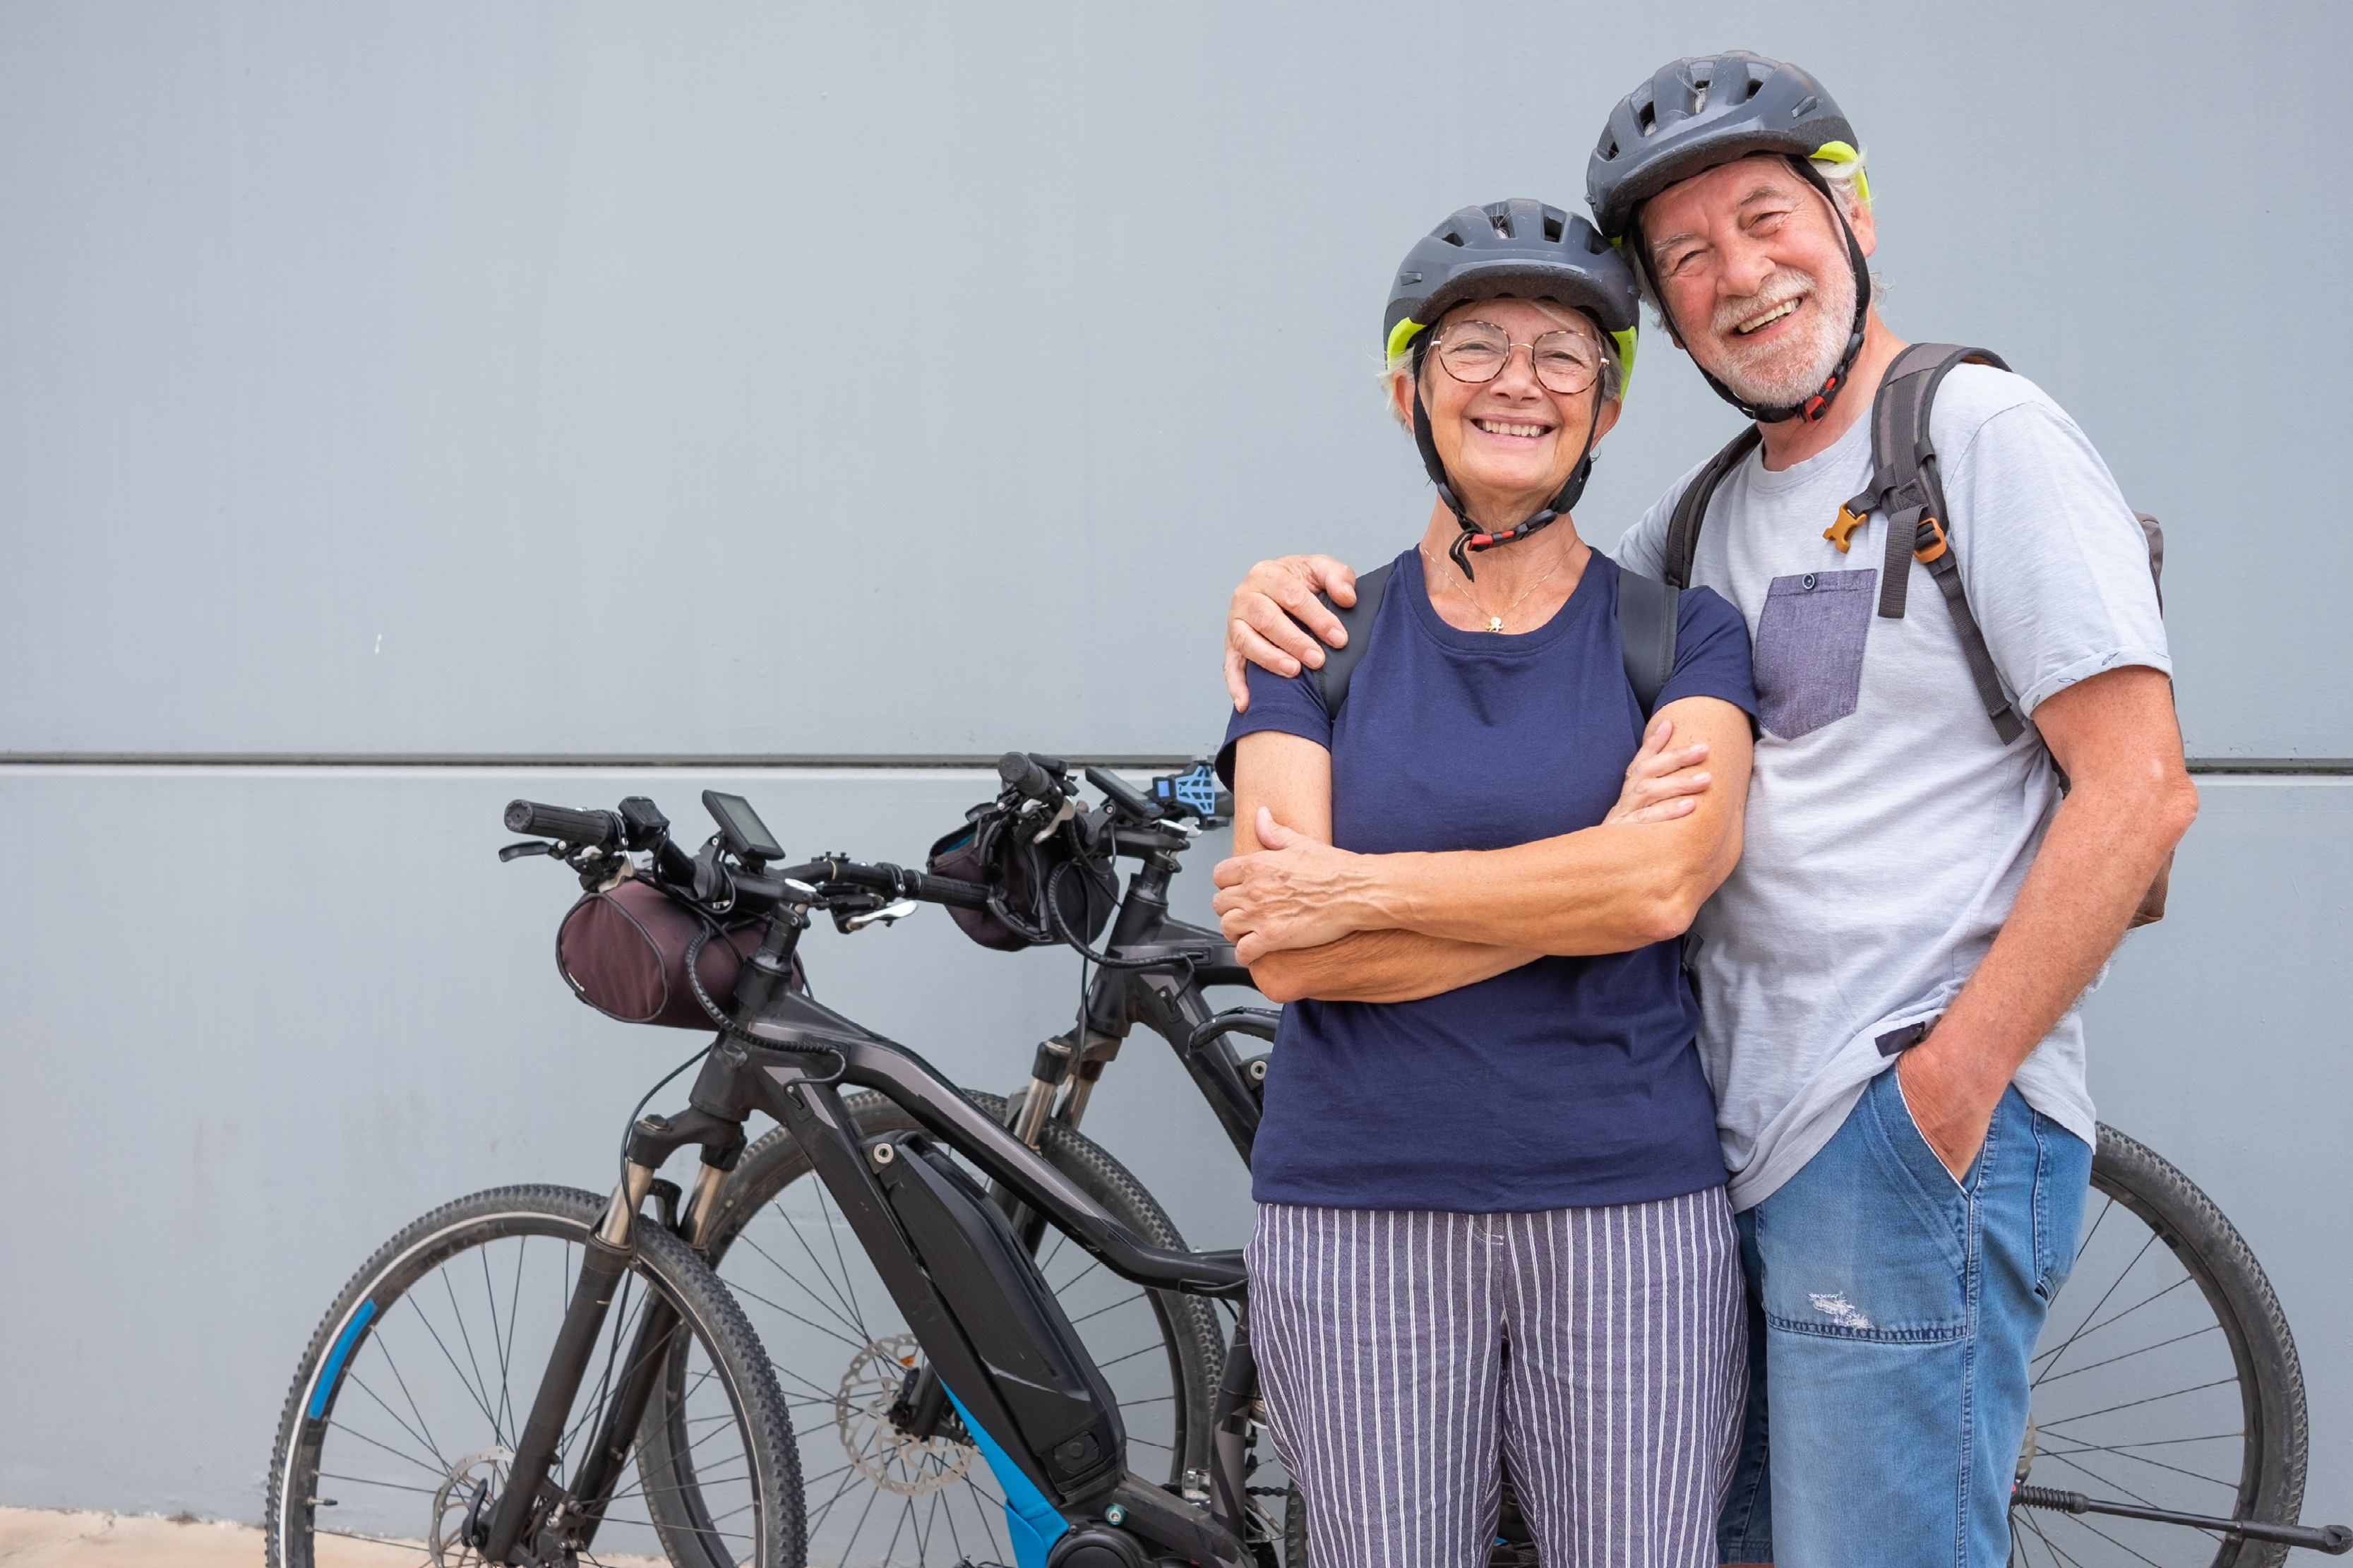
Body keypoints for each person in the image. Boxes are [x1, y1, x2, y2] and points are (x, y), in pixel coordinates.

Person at [1214, 53, 2198, 1568]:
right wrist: (1283, 603)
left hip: (1889, 1118)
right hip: (1741, 1140)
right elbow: (1489, 660)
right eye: (1686, 256)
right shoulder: (1708, 519)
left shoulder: (1980, 434)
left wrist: (1943, 1094)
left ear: (1851, 213)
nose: (1736, 274)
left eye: (1765, 219)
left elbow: (2137, 793)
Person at [1218, 196, 1759, 1568]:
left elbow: (1660, 892)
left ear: (1608, 408)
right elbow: (1286, 949)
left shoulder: (1680, 634)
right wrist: (1580, 882)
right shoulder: (1313, 637)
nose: (1517, 381)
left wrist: (1366, 892)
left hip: (1627, 1210)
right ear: (1406, 385)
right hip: (1355, 1217)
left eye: (1563, 355)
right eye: (1472, 348)